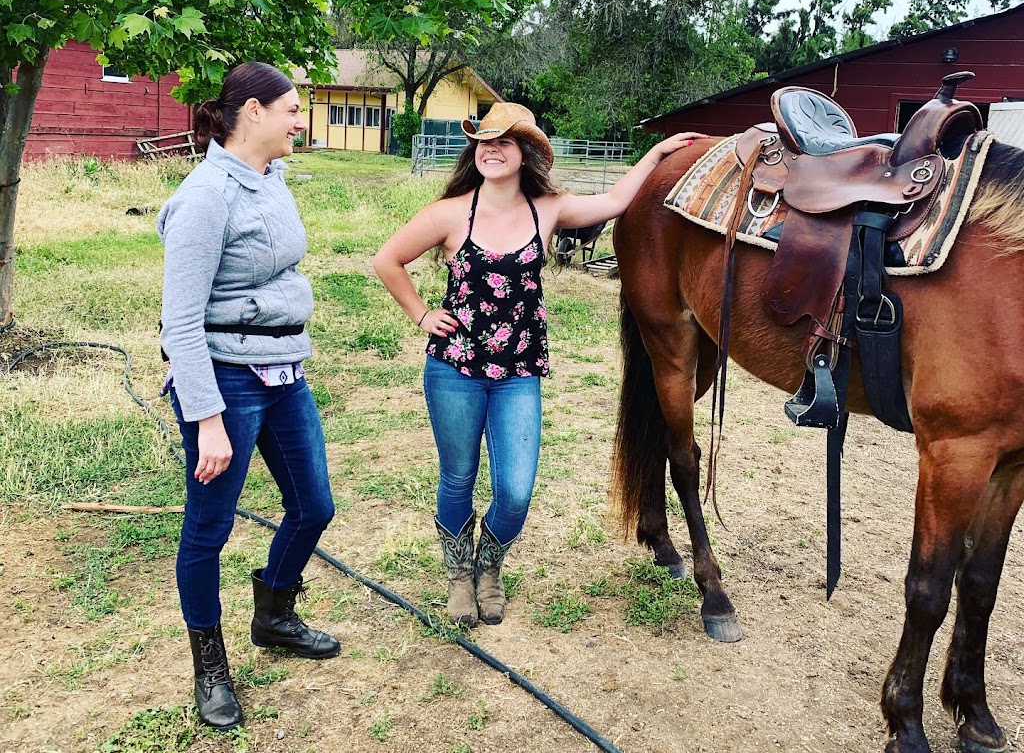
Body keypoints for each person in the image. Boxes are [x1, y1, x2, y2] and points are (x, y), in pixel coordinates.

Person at [373, 103, 704, 627]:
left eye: (504, 141)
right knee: (457, 478)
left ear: (526, 153)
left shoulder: (546, 209)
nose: (492, 149)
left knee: (516, 491)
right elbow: (386, 259)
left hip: (519, 373)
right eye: (484, 141)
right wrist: (421, 314)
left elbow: (617, 202)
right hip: (454, 369)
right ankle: (462, 575)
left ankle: (489, 563)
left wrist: (657, 152)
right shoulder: (450, 213)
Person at [158, 62, 339, 732]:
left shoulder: (271, 179)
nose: (301, 120)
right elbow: (180, 321)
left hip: (283, 368)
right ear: (253, 112)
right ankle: (210, 666)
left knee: (313, 504)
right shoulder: (206, 197)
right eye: (293, 109)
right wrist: (206, 418)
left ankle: (274, 614)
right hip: (226, 380)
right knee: (209, 527)